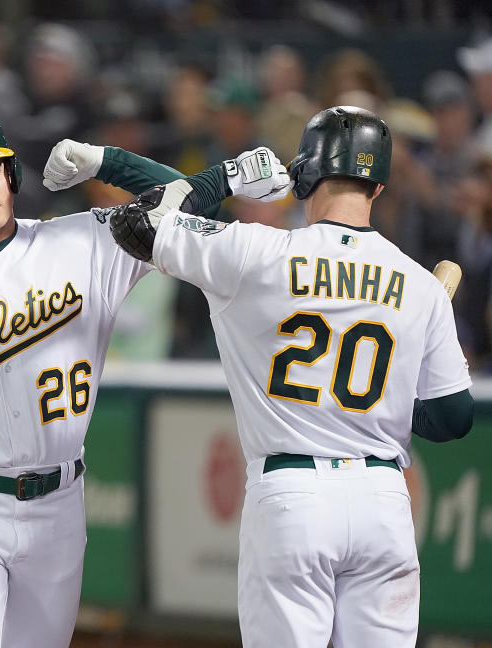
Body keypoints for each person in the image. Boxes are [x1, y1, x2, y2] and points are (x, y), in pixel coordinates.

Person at [0, 108, 291, 647]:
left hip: (59, 503)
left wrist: (105, 161)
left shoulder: (84, 242)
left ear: (12, 174)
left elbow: (175, 203)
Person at [104, 106, 474, 647]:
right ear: (378, 186)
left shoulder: (257, 250)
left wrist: (224, 178)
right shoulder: (418, 285)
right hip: (383, 501)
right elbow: (452, 417)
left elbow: (134, 223)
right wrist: (394, 401)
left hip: (293, 495)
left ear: (306, 172)